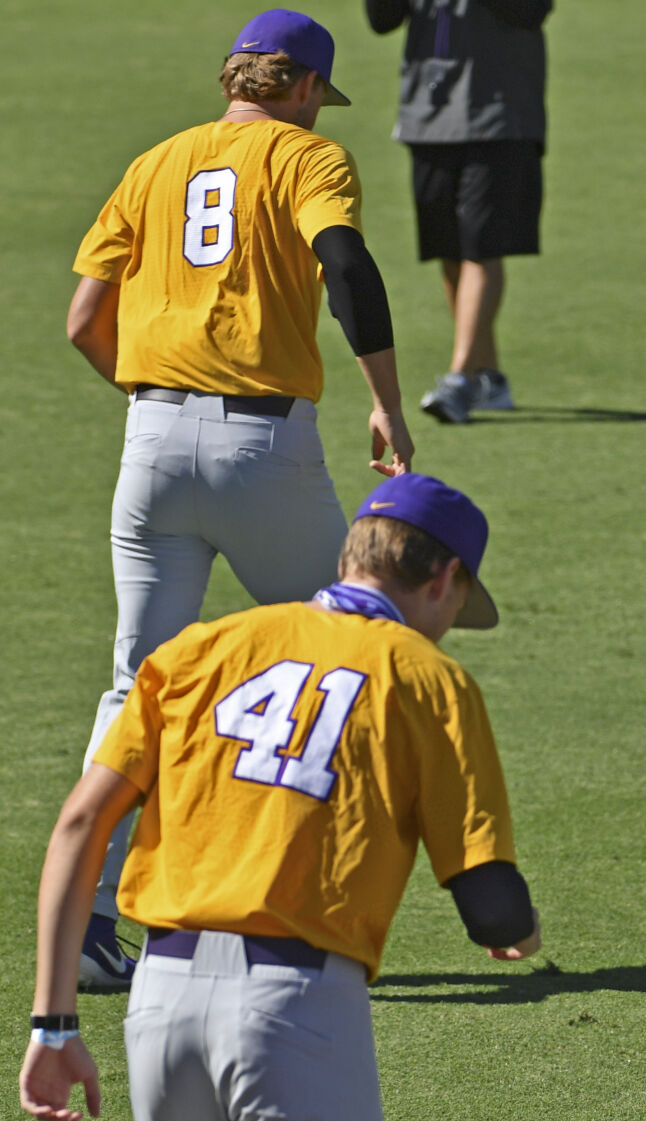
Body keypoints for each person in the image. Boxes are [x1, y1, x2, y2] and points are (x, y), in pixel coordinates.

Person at [20, 473, 538, 1121]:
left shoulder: (200, 648)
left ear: (348, 555)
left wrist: (52, 1023)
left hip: (161, 1005)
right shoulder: (426, 676)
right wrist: (517, 930)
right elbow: (493, 903)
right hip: (295, 1014)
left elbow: (80, 825)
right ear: (444, 581)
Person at [68, 9, 415, 990]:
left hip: (151, 447)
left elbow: (84, 318)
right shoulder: (307, 158)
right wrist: (386, 403)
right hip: (264, 447)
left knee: (137, 680)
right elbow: (344, 266)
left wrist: (157, 406)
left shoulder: (155, 162)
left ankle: (92, 922)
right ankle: (303, 902)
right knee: (341, 656)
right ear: (303, 87)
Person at [365, 0, 554, 424]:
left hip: (499, 115)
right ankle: (488, 376)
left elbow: (530, 11)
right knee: (449, 251)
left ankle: (460, 377)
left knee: (481, 248)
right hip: (427, 114)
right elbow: (381, 20)